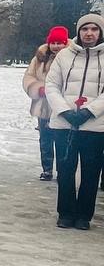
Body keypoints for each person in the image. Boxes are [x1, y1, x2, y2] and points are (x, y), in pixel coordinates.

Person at [44, 12, 104, 230]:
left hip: (95, 125)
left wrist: (90, 111)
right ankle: (66, 213)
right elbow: (52, 85)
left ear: (100, 32)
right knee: (65, 170)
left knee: (91, 173)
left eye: (94, 29)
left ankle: (84, 216)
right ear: (78, 31)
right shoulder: (64, 55)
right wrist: (64, 110)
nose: (89, 33)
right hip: (65, 124)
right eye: (85, 29)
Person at [23, 26, 69, 180]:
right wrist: (38, 88)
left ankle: (63, 171)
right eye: (53, 42)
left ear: (65, 43)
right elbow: (29, 76)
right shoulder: (40, 58)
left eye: (60, 43)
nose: (56, 46)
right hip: (43, 105)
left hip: (64, 105)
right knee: (45, 139)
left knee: (63, 140)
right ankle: (47, 169)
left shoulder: (72, 57)